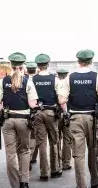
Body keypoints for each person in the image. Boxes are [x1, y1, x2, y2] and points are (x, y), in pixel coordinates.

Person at [58, 49, 98, 188]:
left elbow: (61, 100)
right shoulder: (96, 77)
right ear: (91, 62)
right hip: (92, 119)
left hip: (75, 119)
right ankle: (95, 180)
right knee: (93, 150)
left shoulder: (69, 78)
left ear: (78, 62)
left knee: (78, 155)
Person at [0, 52, 38, 188]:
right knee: (24, 150)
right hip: (23, 120)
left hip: (8, 120)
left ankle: (15, 187)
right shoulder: (28, 81)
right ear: (22, 66)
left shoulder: (3, 81)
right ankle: (25, 182)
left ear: (11, 66)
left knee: (10, 153)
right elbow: (32, 104)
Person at [32, 53, 62, 181]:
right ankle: (54, 170)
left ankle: (44, 173)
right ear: (48, 64)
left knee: (42, 143)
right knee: (54, 141)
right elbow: (60, 97)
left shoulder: (32, 80)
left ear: (38, 66)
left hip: (38, 112)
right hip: (51, 112)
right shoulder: (54, 79)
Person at [56, 68, 73, 171]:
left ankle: (57, 163)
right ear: (66, 75)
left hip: (56, 115)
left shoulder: (56, 84)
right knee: (67, 140)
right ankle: (66, 163)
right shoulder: (69, 85)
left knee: (56, 139)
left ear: (58, 75)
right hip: (67, 115)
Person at [25, 62, 39, 168]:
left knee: (24, 137)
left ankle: (26, 158)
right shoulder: (37, 79)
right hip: (36, 111)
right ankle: (32, 157)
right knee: (34, 136)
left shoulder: (24, 79)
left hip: (24, 111)